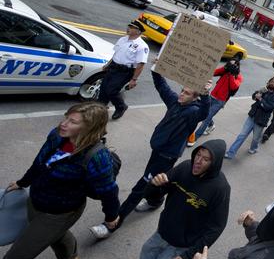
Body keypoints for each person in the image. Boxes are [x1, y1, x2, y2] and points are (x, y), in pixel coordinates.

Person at [89, 70, 211, 238]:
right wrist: (157, 71)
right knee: (155, 181)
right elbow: (162, 87)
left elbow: (204, 112)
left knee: (140, 188)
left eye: (187, 93)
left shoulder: (193, 113)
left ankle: (113, 224)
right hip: (158, 151)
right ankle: (155, 200)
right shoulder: (176, 102)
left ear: (195, 97)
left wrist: (206, 95)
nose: (181, 94)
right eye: (182, 90)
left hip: (167, 156)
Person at [1, 103, 119, 259]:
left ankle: (67, 258)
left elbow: (108, 192)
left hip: (59, 213)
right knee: (55, 234)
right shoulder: (57, 135)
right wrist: (23, 182)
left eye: (73, 122)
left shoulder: (97, 157)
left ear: (89, 128)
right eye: (66, 117)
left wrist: (111, 216)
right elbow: (39, 163)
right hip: (36, 200)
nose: (63, 123)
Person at [134, 140, 230, 259]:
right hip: (161, 233)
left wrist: (187, 256)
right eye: (198, 155)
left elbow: (216, 228)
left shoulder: (220, 188)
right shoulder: (185, 167)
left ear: (214, 163)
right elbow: (153, 197)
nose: (198, 161)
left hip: (182, 246)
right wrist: (154, 185)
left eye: (205, 159)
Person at [98, 21, 149, 119]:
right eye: (129, 26)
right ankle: (100, 108)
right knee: (103, 88)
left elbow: (141, 64)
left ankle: (121, 107)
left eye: (132, 27)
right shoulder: (122, 39)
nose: (128, 28)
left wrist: (134, 80)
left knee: (112, 91)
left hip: (124, 71)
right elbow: (116, 54)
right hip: (113, 66)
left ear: (138, 31)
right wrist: (108, 64)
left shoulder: (142, 46)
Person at [225, 77, 274, 158]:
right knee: (242, 135)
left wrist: (260, 99)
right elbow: (253, 97)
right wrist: (257, 94)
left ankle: (254, 148)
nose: (272, 83)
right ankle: (230, 153)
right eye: (271, 81)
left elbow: (268, 107)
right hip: (252, 116)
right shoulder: (263, 90)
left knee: (255, 139)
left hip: (260, 120)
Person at [193, 59, 243, 141]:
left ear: (238, 66)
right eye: (230, 64)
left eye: (234, 65)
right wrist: (225, 68)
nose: (231, 66)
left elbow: (234, 86)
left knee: (206, 118)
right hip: (212, 96)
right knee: (206, 113)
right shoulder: (225, 71)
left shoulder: (238, 77)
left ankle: (195, 137)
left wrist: (231, 74)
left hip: (220, 101)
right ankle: (211, 125)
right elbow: (214, 72)